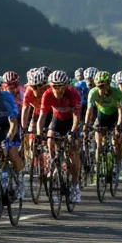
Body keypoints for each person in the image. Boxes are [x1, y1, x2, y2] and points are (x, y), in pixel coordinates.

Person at [40, 71, 83, 203]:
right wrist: (39, 132)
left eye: (61, 86)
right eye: (55, 86)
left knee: (73, 155)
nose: (58, 89)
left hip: (71, 122)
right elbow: (42, 117)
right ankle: (53, 161)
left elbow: (76, 116)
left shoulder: (73, 93)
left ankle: (76, 187)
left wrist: (72, 132)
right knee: (50, 136)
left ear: (66, 86)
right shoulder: (47, 94)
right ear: (50, 86)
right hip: (57, 119)